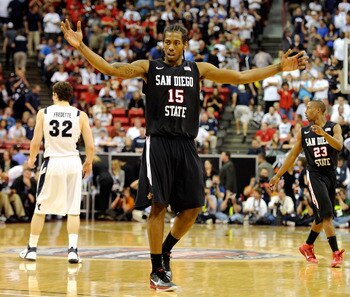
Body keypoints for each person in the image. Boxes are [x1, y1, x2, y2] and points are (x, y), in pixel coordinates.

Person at [61, 20, 307, 291]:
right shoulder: (149, 67)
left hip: (187, 143)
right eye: (167, 42)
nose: (170, 47)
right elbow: (111, 69)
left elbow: (238, 78)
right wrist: (81, 46)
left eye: (176, 42)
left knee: (193, 208)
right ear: (162, 44)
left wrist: (278, 67)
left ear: (185, 46)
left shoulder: (197, 70)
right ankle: (156, 270)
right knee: (158, 207)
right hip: (160, 143)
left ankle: (166, 250)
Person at [19, 81, 94, 264]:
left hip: (52, 162)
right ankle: (73, 251)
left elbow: (36, 142)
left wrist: (31, 159)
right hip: (72, 162)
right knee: (73, 210)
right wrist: (88, 163)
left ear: (54, 94)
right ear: (70, 96)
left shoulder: (44, 113)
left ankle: (32, 249)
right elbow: (90, 145)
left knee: (40, 207)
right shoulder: (80, 114)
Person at [269, 100, 345, 267]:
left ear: (318, 110)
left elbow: (339, 146)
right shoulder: (304, 132)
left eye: (309, 108)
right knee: (326, 215)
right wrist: (278, 175)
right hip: (314, 174)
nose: (305, 111)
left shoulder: (334, 127)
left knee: (320, 218)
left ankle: (307, 246)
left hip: (330, 174)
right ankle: (336, 253)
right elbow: (292, 156)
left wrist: (324, 135)